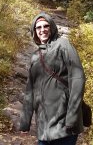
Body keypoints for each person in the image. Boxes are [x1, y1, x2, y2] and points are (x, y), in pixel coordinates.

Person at [19, 12, 86, 145]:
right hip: (44, 126)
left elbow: (78, 78)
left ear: (52, 27)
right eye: (38, 27)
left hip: (65, 123)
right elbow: (30, 91)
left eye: (46, 26)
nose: (42, 30)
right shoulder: (35, 56)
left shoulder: (63, 45)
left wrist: (72, 115)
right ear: (34, 31)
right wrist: (25, 122)